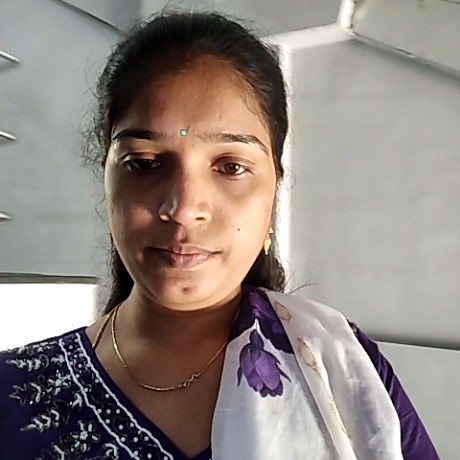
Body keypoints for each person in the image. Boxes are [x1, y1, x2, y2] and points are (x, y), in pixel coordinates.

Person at [0, 11, 439, 460]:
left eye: (230, 167)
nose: (183, 208)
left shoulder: (342, 373)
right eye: (145, 163)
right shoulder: (13, 395)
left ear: (274, 187)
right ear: (107, 178)